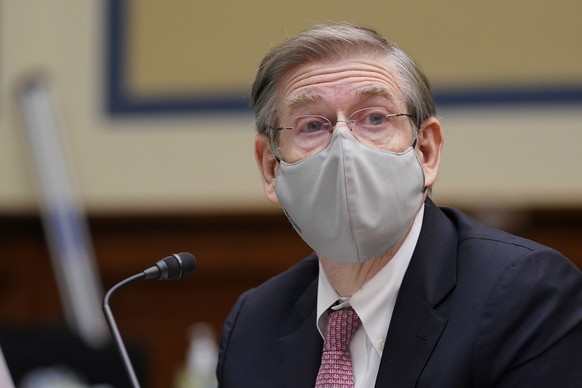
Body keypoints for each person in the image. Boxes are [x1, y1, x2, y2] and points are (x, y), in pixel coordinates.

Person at [216, 23, 582, 387]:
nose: (343, 146)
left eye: (375, 118)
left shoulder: (527, 294)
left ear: (426, 150)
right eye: (312, 125)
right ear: (270, 167)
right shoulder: (254, 324)